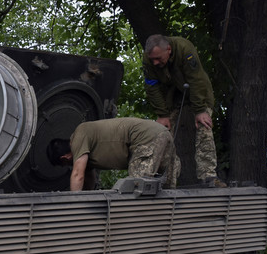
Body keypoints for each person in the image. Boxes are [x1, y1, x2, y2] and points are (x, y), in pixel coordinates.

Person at [143, 34, 224, 187]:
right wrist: (162, 114)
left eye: (158, 58)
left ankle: (208, 176)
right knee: (162, 132)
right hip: (173, 95)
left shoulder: (184, 49)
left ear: (168, 49)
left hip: (198, 92)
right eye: (152, 59)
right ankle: (163, 179)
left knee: (204, 126)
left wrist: (200, 110)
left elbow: (196, 80)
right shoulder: (149, 59)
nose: (155, 62)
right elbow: (152, 87)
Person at [48, 117, 180, 191]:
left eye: (65, 165)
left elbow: (78, 175)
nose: (69, 167)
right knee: (167, 189)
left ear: (65, 157)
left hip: (146, 138)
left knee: (136, 190)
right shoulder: (85, 152)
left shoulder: (79, 136)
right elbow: (88, 180)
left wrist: (74, 208)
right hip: (162, 134)